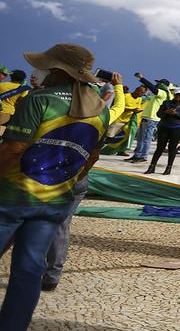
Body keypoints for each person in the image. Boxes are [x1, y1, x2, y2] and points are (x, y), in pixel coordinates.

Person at [0, 44, 125, 328]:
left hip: (12, 197)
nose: (39, 71)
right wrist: (67, 181)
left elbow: (13, 148)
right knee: (29, 270)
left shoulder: (39, 99)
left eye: (43, 66)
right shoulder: (99, 109)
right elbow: (91, 156)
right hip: (55, 201)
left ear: (56, 70)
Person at [125, 72, 172, 163]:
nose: (157, 84)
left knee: (146, 139)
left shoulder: (163, 93)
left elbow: (153, 88)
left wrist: (142, 78)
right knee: (140, 138)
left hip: (151, 119)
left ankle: (143, 156)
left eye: (159, 83)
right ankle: (137, 155)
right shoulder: (157, 94)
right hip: (146, 118)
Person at [146, 87, 180, 175]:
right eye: (177, 94)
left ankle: (168, 168)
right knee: (160, 148)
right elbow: (158, 114)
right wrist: (167, 112)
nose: (178, 96)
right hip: (164, 127)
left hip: (177, 128)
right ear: (174, 94)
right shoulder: (166, 103)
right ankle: (152, 167)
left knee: (172, 148)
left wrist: (176, 114)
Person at [102, 84, 145, 156]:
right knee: (110, 136)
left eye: (144, 93)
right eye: (142, 92)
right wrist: (132, 110)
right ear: (136, 91)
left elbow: (137, 108)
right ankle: (101, 149)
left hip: (128, 121)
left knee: (126, 137)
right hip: (118, 119)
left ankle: (121, 151)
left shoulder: (139, 99)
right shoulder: (126, 96)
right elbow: (120, 107)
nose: (143, 94)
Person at [0, 69, 31, 135]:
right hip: (8, 114)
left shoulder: (1, 85)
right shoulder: (23, 89)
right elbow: (21, 103)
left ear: (11, 76)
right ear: (23, 79)